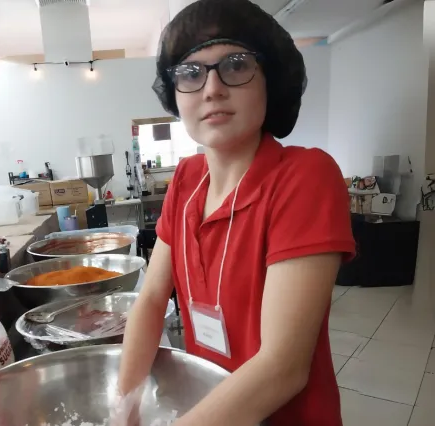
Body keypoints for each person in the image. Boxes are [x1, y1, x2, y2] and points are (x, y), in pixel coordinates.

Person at [116, 0, 355, 425]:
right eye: (190, 73)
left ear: (269, 80)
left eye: (236, 65)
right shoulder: (186, 182)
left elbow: (283, 367)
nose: (211, 89)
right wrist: (125, 410)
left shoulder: (304, 177)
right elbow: (152, 300)